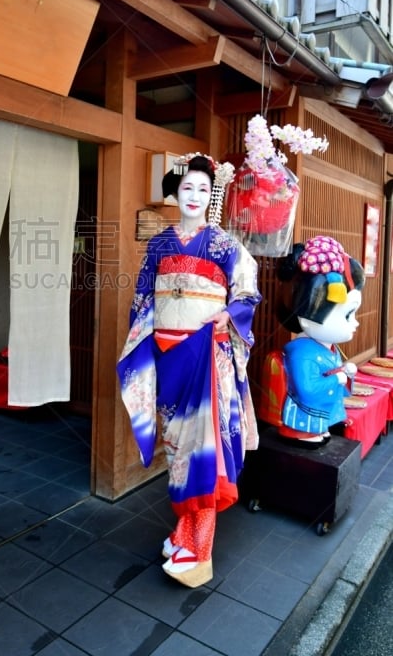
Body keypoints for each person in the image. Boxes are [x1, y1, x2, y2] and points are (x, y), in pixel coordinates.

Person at [117, 153, 261, 588]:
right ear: (175, 195)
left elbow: (247, 292)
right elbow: (143, 298)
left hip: (205, 355)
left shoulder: (223, 244)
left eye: (202, 189)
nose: (194, 196)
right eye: (186, 189)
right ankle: (182, 531)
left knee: (204, 450)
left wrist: (228, 316)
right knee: (177, 449)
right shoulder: (160, 245)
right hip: (167, 356)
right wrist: (144, 339)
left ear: (209, 196)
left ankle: (198, 550)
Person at [276, 236, 365, 446]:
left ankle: (320, 428)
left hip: (321, 414)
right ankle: (302, 432)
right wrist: (338, 379)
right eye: (347, 315)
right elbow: (307, 390)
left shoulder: (328, 347)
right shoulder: (302, 353)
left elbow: (332, 375)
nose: (355, 323)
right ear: (310, 311)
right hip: (303, 416)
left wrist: (345, 372)